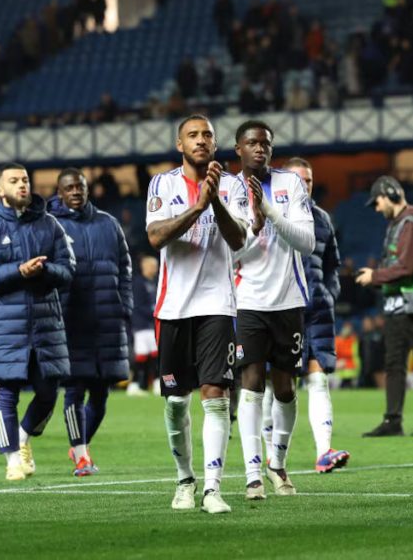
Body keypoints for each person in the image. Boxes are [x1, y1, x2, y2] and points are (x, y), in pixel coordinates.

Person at [146, 114, 248, 514]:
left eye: (207, 134)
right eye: (193, 135)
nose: (201, 140)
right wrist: (197, 206)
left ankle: (212, 488)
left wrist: (216, 199)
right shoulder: (163, 184)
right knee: (175, 401)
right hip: (173, 307)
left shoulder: (234, 184)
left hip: (217, 305)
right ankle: (184, 479)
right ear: (179, 144)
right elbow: (155, 236)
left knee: (216, 396)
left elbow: (238, 238)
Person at [0, 163, 74, 482]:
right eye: (14, 181)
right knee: (7, 394)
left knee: (48, 392)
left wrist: (44, 271)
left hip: (47, 325)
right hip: (6, 326)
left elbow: (69, 269)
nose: (22, 185)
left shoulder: (51, 225)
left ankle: (25, 437)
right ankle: (12, 459)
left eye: (25, 180)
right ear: (0, 190)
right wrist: (18, 271)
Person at [229, 121, 314, 500]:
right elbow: (230, 253)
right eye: (251, 143)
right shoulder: (227, 190)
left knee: (285, 388)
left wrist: (270, 214)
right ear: (238, 149)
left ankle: (277, 462)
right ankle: (253, 474)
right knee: (251, 384)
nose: (259, 148)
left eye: (265, 143)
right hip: (247, 302)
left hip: (288, 301)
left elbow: (308, 242)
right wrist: (253, 226)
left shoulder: (290, 184)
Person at [50, 167, 133, 476]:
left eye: (80, 187)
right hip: (71, 322)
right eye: (69, 187)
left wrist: (125, 305)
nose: (75, 192)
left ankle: (80, 444)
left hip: (107, 320)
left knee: (101, 394)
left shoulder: (108, 224)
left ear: (87, 189)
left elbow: (125, 269)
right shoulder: (51, 225)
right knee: (75, 389)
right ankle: (82, 454)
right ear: (59, 193)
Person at [357, 176, 413, 437]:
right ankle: (393, 421)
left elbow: (407, 267)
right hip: (400, 304)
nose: (376, 208)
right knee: (394, 364)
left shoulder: (409, 224)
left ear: (390, 194)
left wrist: (374, 276)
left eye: (377, 202)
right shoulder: (401, 223)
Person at [276, 156, 351, 474]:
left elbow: (333, 263)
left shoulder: (321, 218)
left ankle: (324, 451)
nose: (303, 185)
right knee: (277, 387)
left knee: (318, 380)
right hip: (280, 310)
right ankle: (273, 457)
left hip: (317, 311)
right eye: (297, 180)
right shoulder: (271, 215)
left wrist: (328, 293)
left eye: (307, 180)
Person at [129, 254, 159, 396]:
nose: (156, 268)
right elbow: (138, 305)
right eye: (153, 266)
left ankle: (154, 383)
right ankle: (134, 384)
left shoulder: (154, 282)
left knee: (154, 354)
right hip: (141, 325)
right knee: (141, 355)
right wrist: (154, 311)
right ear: (145, 267)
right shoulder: (138, 283)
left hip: (151, 324)